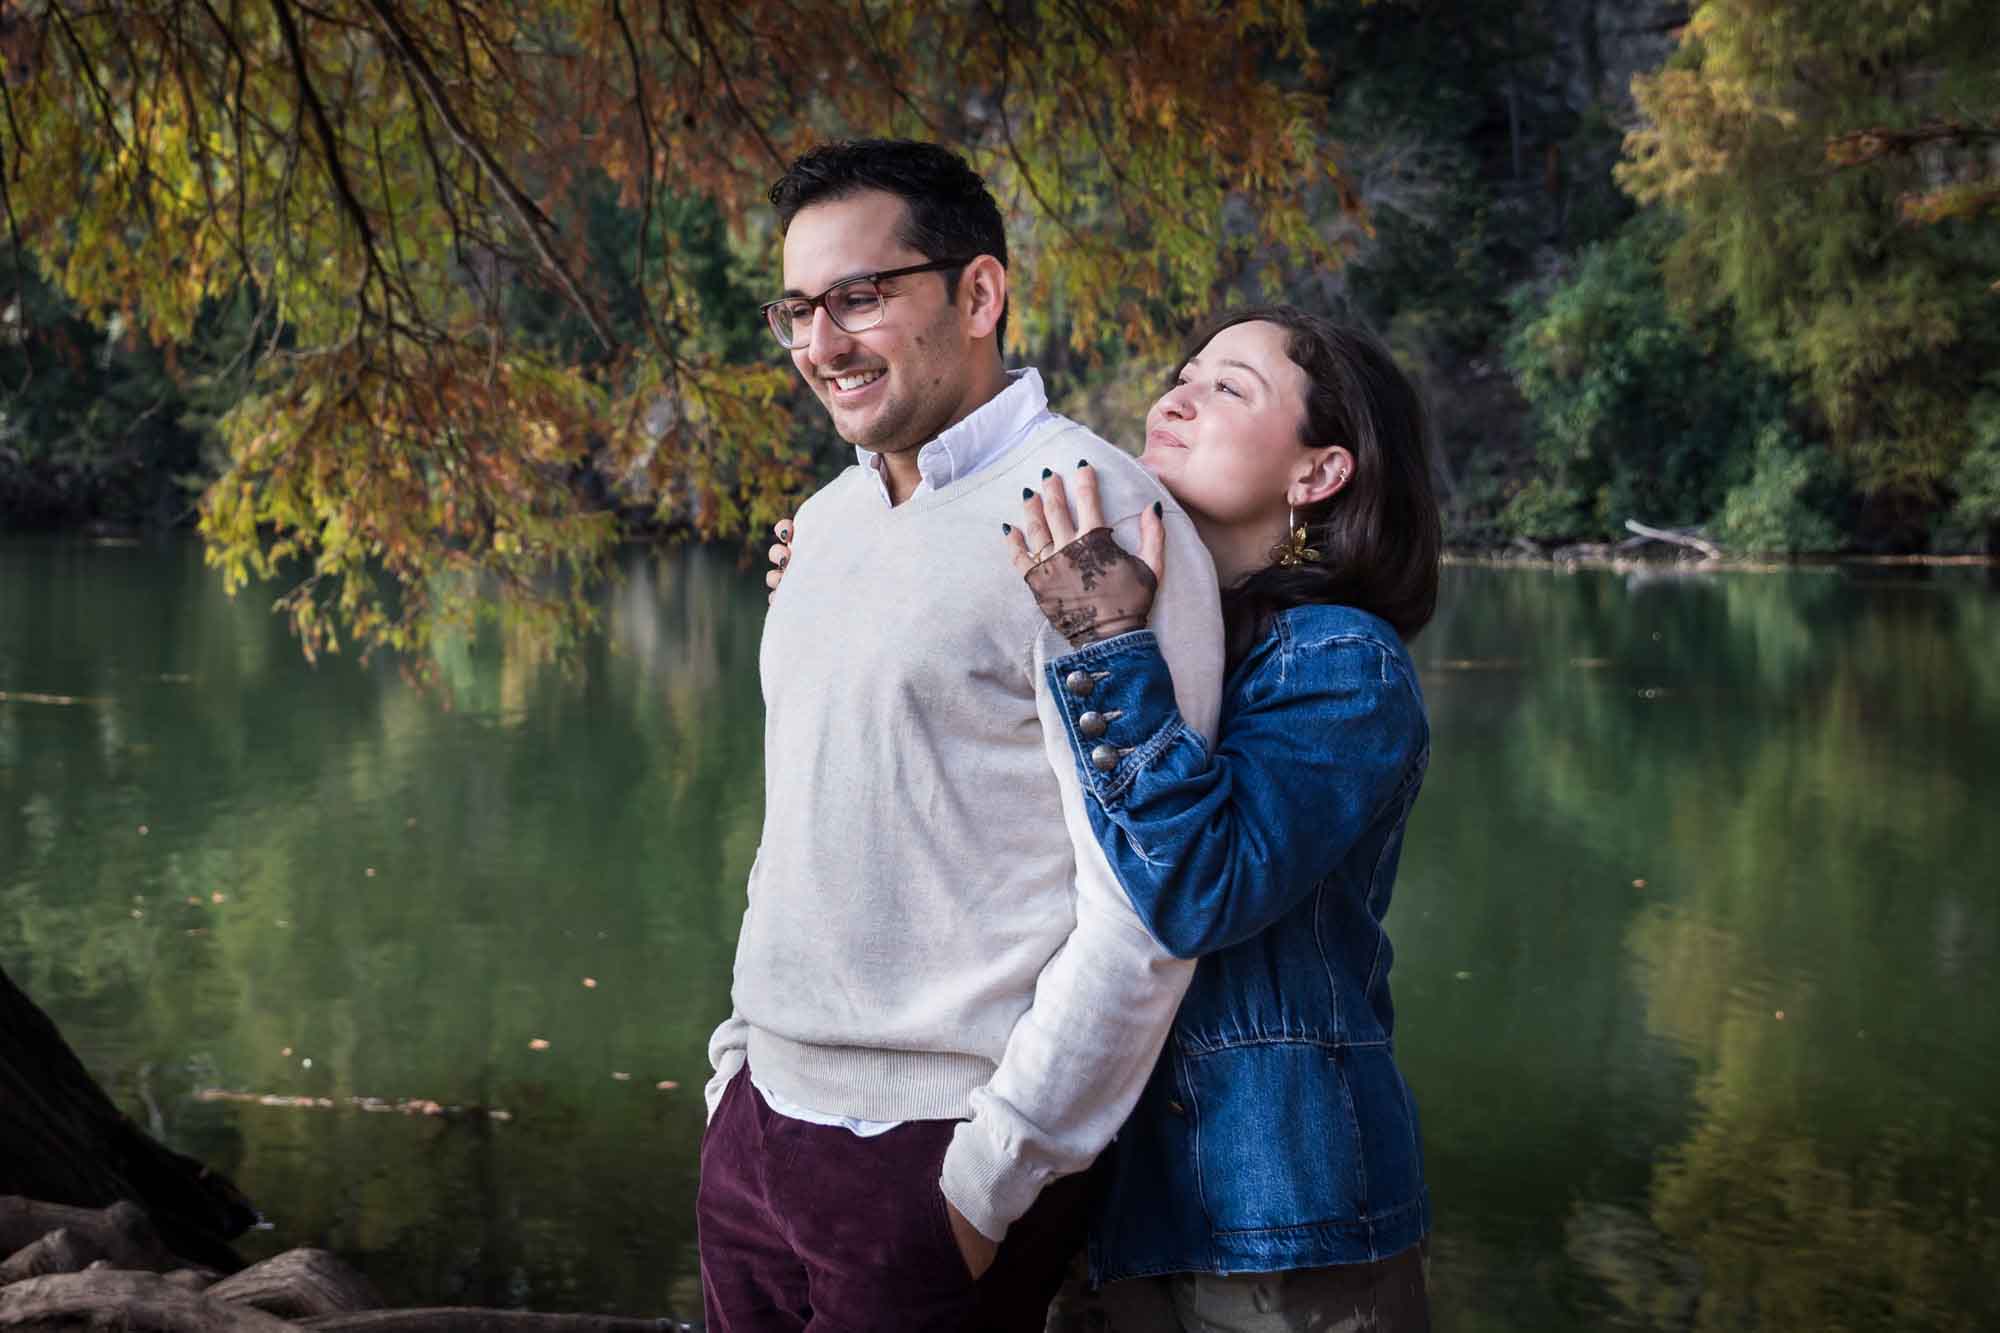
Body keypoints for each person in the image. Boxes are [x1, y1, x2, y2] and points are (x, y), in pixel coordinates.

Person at [769, 307, 1441, 1331]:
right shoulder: (1144, 620)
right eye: (1183, 373)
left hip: (1277, 1215)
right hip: (1100, 1202)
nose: (1174, 396)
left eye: (1228, 389)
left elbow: (1193, 887)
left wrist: (1106, 639)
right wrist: (845, 578)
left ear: (1317, 475)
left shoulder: (1339, 663)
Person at [696, 138, 1226, 1333]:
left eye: (859, 298)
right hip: (759, 1131)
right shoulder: (825, 523)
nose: (819, 345)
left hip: (932, 1158)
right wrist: (735, 1070)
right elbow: (802, 824)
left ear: (977, 293)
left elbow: (1144, 901)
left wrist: (995, 1175)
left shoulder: (1093, 514)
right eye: (795, 309)